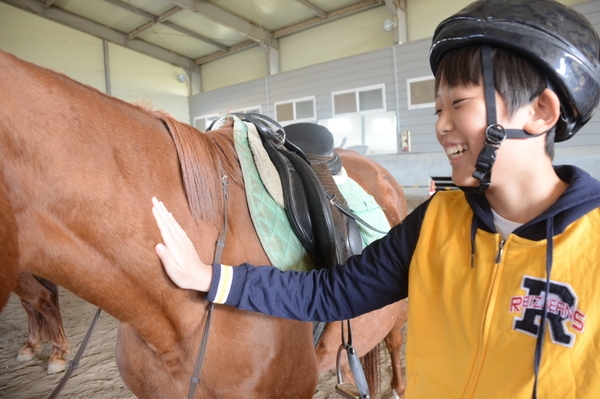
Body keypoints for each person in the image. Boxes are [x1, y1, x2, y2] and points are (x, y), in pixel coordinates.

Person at [151, 0, 600, 397]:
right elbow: (331, 292)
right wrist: (208, 276)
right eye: (437, 109)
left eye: (459, 103)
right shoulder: (436, 221)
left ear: (540, 112)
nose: (441, 126)